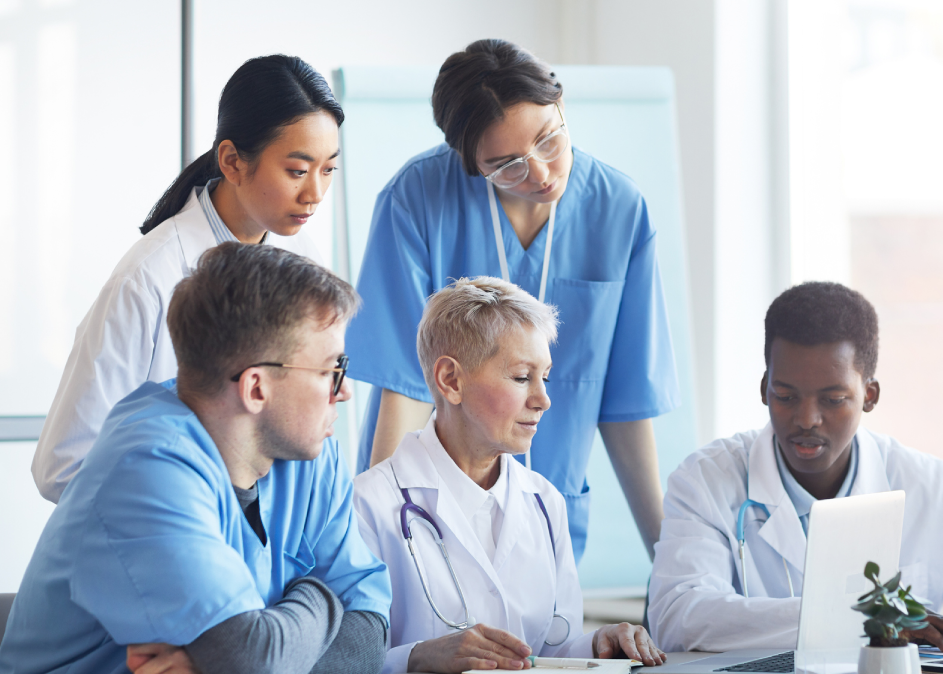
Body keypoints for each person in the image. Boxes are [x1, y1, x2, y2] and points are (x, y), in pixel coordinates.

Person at [346, 39, 679, 560]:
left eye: (549, 141)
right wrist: (379, 539)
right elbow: (405, 386)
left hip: (552, 515)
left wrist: (668, 561)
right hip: (435, 511)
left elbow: (626, 401)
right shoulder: (417, 199)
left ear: (562, 106)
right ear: (470, 162)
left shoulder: (620, 208)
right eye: (506, 165)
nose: (542, 174)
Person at [0, 243, 391, 674]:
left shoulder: (307, 447)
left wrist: (252, 657)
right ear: (256, 388)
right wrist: (321, 597)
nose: (344, 391)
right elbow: (252, 657)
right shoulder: (146, 467)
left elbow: (371, 631)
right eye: (330, 371)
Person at [647, 282, 943, 654]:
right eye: (785, 395)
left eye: (832, 399)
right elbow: (680, 617)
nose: (806, 419)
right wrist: (867, 618)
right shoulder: (706, 480)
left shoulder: (928, 486)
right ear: (764, 388)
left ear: (871, 395)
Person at [32, 54, 343, 503]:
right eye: (297, 170)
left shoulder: (305, 261)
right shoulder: (149, 280)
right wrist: (190, 510)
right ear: (233, 162)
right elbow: (63, 466)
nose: (315, 194)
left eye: (328, 169)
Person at [353, 277, 667, 674]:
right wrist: (417, 658)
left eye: (545, 377)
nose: (544, 399)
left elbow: (551, 648)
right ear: (451, 380)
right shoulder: (368, 506)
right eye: (522, 378)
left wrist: (597, 644)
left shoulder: (544, 501)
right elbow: (337, 661)